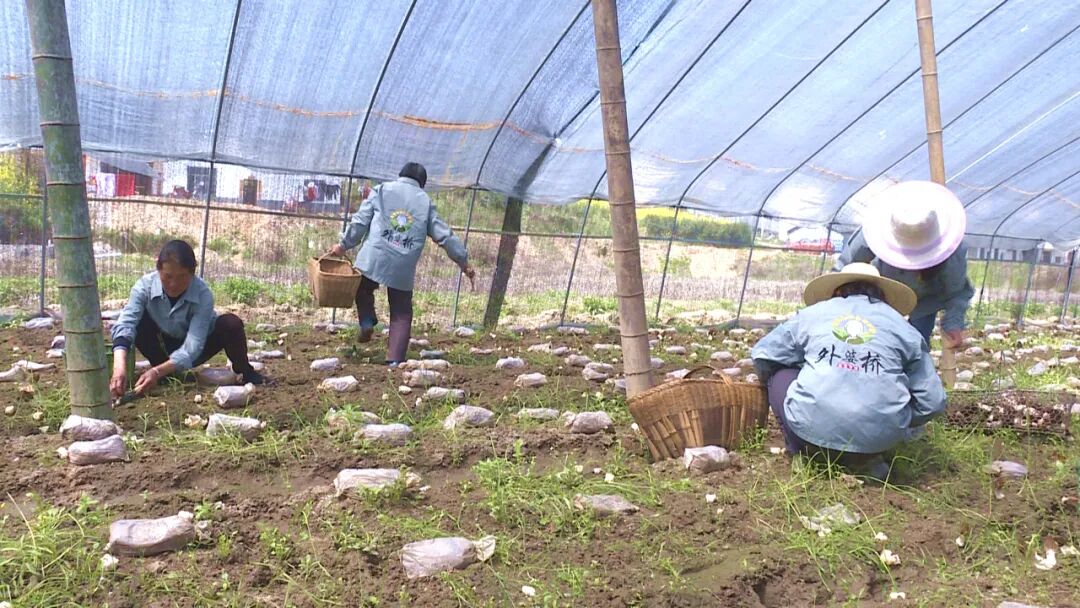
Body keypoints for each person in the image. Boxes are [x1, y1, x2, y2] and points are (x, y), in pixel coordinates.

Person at [751, 263, 946, 480]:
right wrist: (896, 420)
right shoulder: (905, 329)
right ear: (883, 296)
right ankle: (868, 461)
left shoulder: (813, 314)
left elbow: (763, 354)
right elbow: (933, 401)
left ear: (838, 291)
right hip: (878, 441)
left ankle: (805, 453)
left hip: (811, 433)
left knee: (780, 375)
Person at [328, 162, 475, 366]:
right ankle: (395, 360)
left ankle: (367, 321)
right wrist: (463, 261)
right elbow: (445, 236)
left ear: (400, 175)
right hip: (403, 266)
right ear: (421, 183)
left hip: (374, 257)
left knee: (362, 287)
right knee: (401, 312)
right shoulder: (425, 202)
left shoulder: (382, 190)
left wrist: (343, 245)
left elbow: (360, 222)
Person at [109, 240, 264, 398]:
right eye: (167, 276)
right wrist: (119, 369)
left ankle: (245, 371)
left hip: (200, 346)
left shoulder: (203, 294)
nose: (174, 284)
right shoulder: (144, 287)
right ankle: (166, 372)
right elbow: (125, 324)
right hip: (163, 343)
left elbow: (193, 346)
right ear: (158, 270)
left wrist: (156, 372)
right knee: (138, 320)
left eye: (182, 277)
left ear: (192, 273)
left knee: (231, 324)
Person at [835, 180, 973, 350]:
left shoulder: (951, 251)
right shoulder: (873, 233)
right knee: (877, 345)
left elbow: (957, 292)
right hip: (885, 295)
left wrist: (953, 323)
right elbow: (842, 272)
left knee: (916, 348)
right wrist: (831, 306)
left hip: (925, 301)